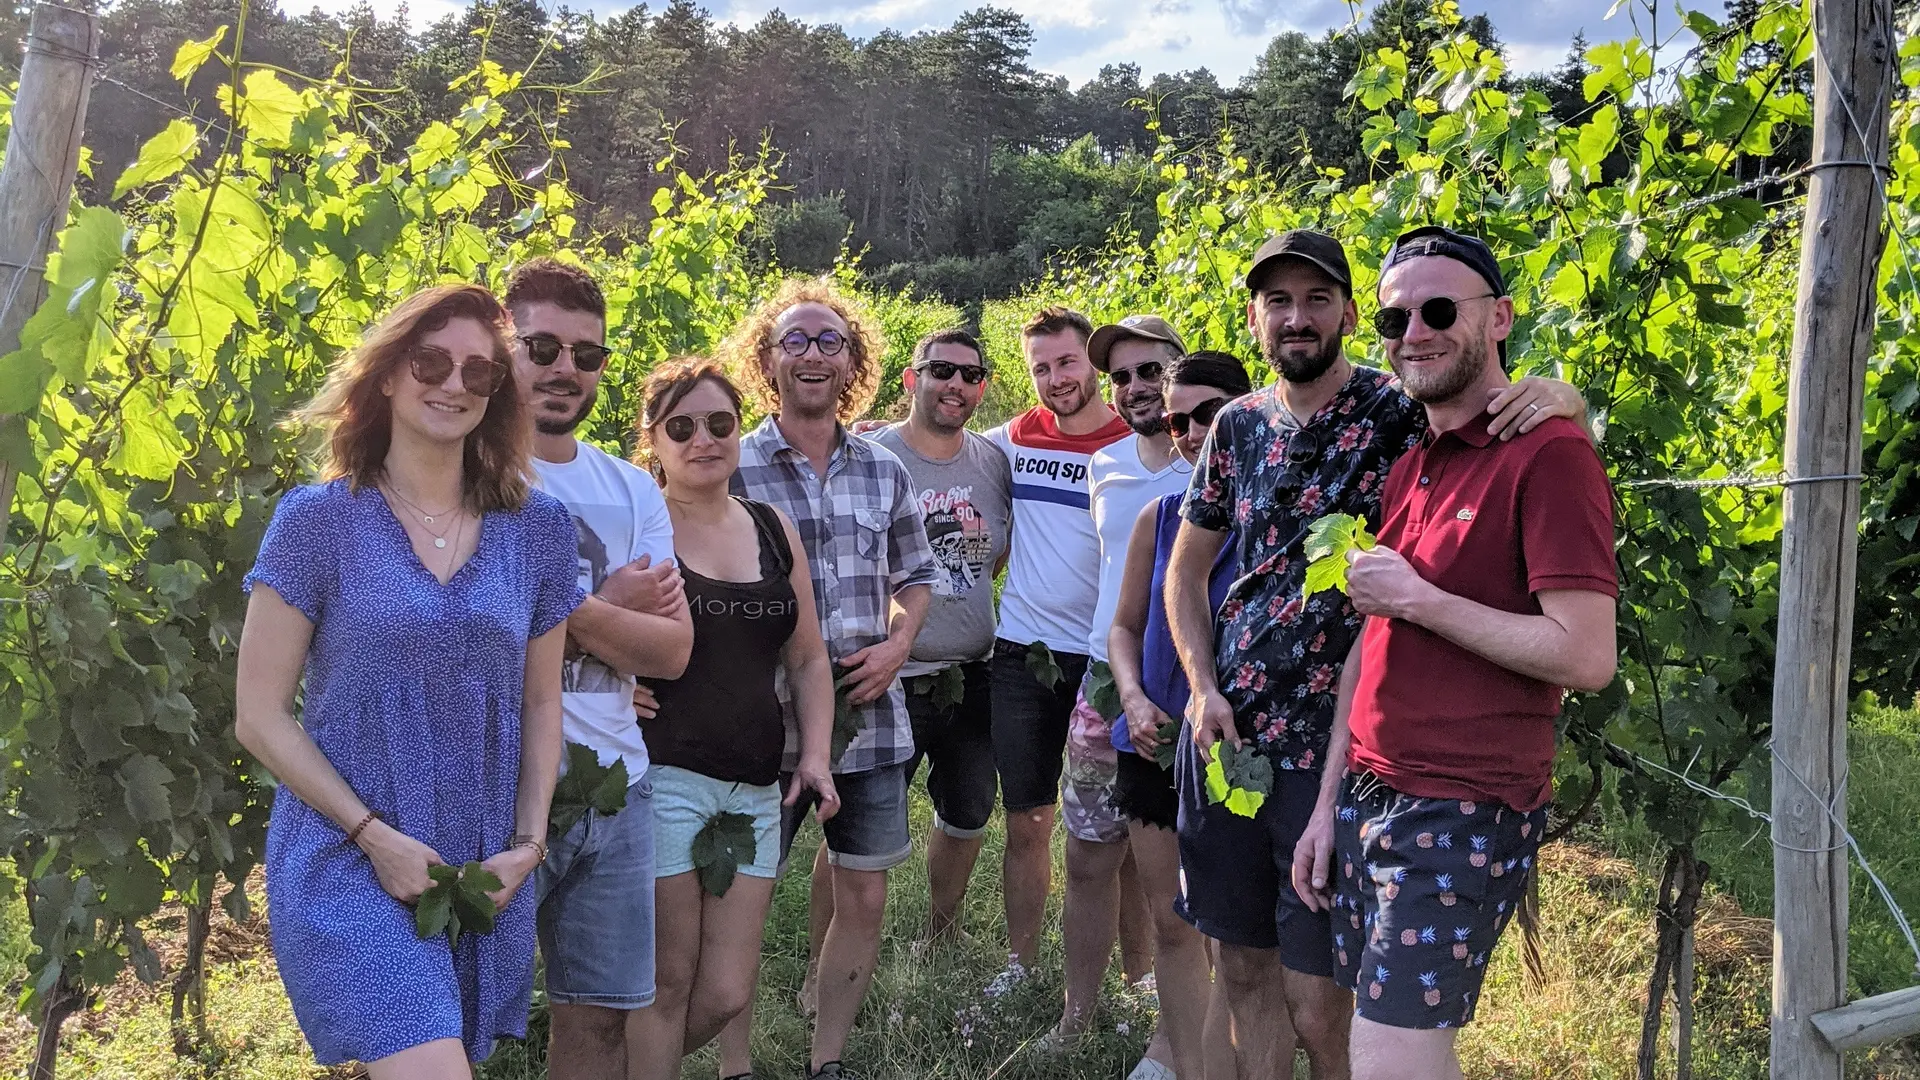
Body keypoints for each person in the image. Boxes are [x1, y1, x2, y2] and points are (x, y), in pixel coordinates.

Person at [1167, 230, 1588, 1080]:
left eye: (1317, 300)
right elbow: (1187, 571)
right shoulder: (1237, 427)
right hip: (1227, 741)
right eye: (1278, 302)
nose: (1297, 318)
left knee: (1322, 1003)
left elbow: (1493, 404)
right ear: (1255, 319)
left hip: (1333, 748)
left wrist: (1566, 396)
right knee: (1241, 966)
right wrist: (1200, 687)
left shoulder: (1397, 409)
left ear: (1351, 316)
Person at [234, 284, 582, 1077]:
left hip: (477, 863)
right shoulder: (316, 521)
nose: (453, 383)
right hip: (345, 853)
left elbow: (540, 702)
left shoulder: (539, 531)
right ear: (388, 374)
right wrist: (373, 836)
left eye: (479, 372)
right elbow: (258, 715)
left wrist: (528, 846)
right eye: (430, 361)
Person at [1299, 226, 1618, 1079]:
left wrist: (1423, 600)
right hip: (1374, 795)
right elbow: (1373, 640)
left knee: (1391, 1061)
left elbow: (1586, 657)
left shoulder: (1549, 455)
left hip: (1460, 807)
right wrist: (1331, 800)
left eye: (1439, 310)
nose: (1415, 334)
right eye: (1394, 321)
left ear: (1502, 317)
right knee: (1378, 1044)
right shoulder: (1414, 467)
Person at [719, 278, 938, 1080]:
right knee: (739, 904)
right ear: (766, 361)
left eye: (829, 341)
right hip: (756, 719)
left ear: (853, 363)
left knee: (866, 897)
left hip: (869, 713)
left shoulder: (883, 472)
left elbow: (916, 572)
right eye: (795, 341)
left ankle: (829, 1061)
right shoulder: (730, 464)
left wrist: (898, 641)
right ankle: (734, 1066)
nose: (813, 355)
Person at [622, 359, 843, 1080]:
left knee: (724, 993)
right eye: (680, 427)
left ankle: (610, 1067)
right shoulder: (636, 527)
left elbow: (809, 658)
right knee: (669, 982)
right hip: (664, 778)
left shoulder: (771, 528)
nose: (702, 440)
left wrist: (815, 755)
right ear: (652, 439)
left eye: (720, 423)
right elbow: (558, 620)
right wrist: (597, 688)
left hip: (755, 786)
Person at [503, 258, 695, 1080]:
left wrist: (553, 615)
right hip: (495, 781)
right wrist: (609, 608)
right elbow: (466, 644)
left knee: (600, 1027)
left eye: (587, 354)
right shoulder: (474, 476)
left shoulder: (627, 486)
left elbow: (673, 651)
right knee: (450, 1024)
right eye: (540, 346)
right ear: (502, 347)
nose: (564, 369)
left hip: (620, 785)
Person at [1106, 348, 1295, 1080]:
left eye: (1207, 414)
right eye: (1179, 418)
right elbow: (1124, 627)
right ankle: (1187, 1064)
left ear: (1247, 413)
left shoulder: (1281, 520)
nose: (1189, 433)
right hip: (1154, 744)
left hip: (1242, 751)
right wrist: (1130, 695)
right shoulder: (1160, 517)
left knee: (1238, 942)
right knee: (1174, 927)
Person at [1042, 314, 1198, 1062]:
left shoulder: (1215, 458)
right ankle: (1077, 1016)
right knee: (1086, 858)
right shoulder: (1104, 465)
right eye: (1124, 375)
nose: (1136, 387)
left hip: (1184, 687)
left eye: (1151, 370)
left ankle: (1175, 1039)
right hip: (1104, 685)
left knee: (1176, 881)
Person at [981, 306, 1138, 990]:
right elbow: (938, 445)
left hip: (1109, 665)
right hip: (1021, 655)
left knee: (1125, 832)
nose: (1054, 379)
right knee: (1028, 819)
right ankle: (1020, 964)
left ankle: (1141, 977)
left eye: (1066, 362)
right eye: (1040, 367)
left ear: (1093, 364)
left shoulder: (1135, 443)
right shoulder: (1014, 438)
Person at [866, 329, 1012, 945]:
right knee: (862, 828)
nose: (957, 385)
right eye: (942, 371)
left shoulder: (991, 463)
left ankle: (941, 933)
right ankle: (828, 962)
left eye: (971, 376)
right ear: (911, 378)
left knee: (967, 815)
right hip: (888, 676)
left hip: (973, 672)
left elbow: (991, 561)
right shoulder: (873, 457)